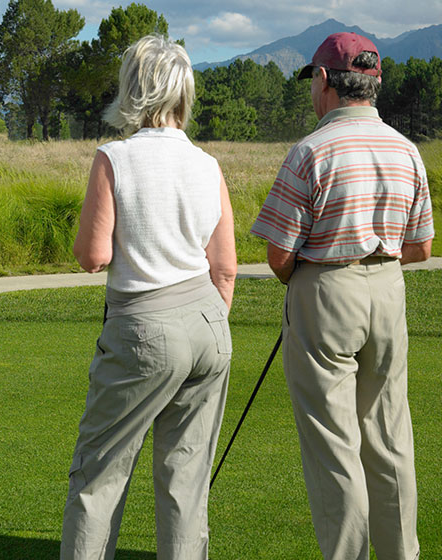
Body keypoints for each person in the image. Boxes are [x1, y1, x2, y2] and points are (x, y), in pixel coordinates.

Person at [251, 32, 433, 560]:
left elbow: (279, 256)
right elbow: (420, 247)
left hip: (328, 291)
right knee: (390, 434)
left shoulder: (310, 151)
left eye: (313, 79)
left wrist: (311, 271)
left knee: (335, 446)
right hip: (389, 291)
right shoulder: (407, 149)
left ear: (325, 80)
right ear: (374, 82)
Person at [61, 34, 237, 559]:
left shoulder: (115, 157)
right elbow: (224, 267)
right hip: (208, 321)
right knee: (186, 479)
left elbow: (92, 255)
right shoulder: (208, 163)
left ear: (131, 90)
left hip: (144, 323)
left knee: (100, 473)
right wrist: (204, 324)